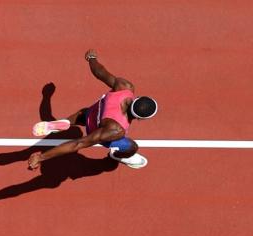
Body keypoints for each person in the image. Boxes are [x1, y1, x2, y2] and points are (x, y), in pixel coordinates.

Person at [28, 49, 157, 170]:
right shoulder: (117, 130)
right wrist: (40, 157)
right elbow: (78, 144)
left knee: (83, 115)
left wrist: (92, 58)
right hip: (98, 129)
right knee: (132, 147)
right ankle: (117, 155)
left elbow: (99, 72)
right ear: (140, 118)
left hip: (88, 114)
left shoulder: (124, 87)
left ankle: (66, 122)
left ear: (137, 98)